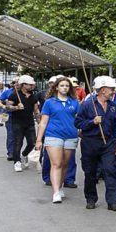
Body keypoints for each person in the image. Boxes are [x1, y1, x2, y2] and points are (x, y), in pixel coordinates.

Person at [75, 76, 116, 211]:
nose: (113, 91)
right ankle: (91, 199)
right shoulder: (87, 104)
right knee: (90, 172)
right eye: (111, 89)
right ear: (103, 90)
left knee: (111, 170)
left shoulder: (113, 106)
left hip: (108, 142)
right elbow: (78, 123)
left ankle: (113, 202)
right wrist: (92, 122)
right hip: (90, 142)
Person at [34, 76, 81, 204]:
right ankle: (55, 192)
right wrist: (39, 139)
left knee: (65, 164)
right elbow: (43, 122)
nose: (64, 88)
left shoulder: (74, 102)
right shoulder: (49, 102)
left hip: (70, 135)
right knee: (56, 163)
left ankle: (59, 187)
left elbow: (79, 118)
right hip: (53, 135)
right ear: (56, 87)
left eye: (67, 86)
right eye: (62, 86)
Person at [4, 75, 40, 172]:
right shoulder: (14, 95)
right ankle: (17, 162)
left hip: (30, 123)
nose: (32, 86)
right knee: (18, 143)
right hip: (17, 123)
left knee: (32, 142)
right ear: (23, 85)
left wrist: (39, 122)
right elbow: (7, 107)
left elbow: (36, 111)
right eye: (30, 84)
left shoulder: (33, 96)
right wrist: (16, 107)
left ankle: (24, 154)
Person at [0, 77, 19, 159]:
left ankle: (17, 152)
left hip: (20, 116)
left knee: (19, 135)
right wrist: (3, 106)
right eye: (14, 82)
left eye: (18, 82)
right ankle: (11, 152)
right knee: (10, 134)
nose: (16, 84)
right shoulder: (7, 92)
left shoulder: (24, 92)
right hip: (8, 115)